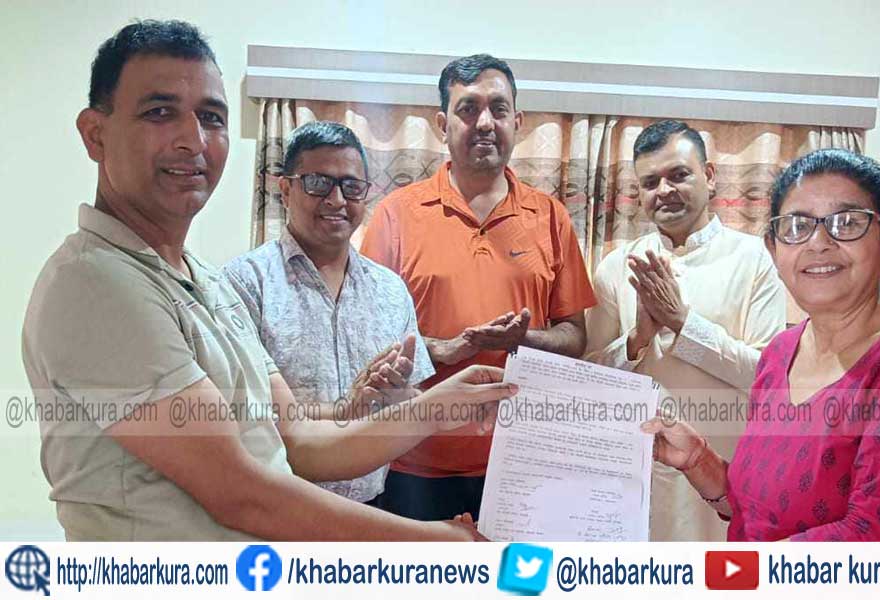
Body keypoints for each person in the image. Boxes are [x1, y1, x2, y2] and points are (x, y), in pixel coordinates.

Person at [21, 20, 514, 541]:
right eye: (159, 112)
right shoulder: (98, 282)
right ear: (95, 134)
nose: (193, 140)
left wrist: (439, 404)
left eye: (211, 117)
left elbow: (297, 441)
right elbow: (242, 493)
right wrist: (440, 542)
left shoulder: (205, 282)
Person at [643, 149, 880, 541]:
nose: (818, 242)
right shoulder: (779, 353)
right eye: (796, 226)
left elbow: (876, 537)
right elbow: (761, 515)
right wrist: (698, 459)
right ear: (774, 250)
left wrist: (729, 571)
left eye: (847, 222)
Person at [360, 54, 596, 521]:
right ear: (442, 125)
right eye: (468, 109)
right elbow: (368, 339)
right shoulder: (396, 214)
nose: (485, 122)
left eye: (498, 109)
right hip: (412, 462)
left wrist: (523, 340)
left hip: (522, 461)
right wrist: (444, 349)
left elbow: (576, 338)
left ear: (517, 122)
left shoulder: (550, 217)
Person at [584, 120, 786, 541]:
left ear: (709, 176)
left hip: (722, 480)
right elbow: (590, 382)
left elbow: (767, 379)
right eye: (650, 182)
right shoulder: (616, 268)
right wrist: (637, 340)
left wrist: (682, 323)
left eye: (678, 175)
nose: (664, 190)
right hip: (631, 481)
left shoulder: (755, 260)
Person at [224, 120, 434, 507]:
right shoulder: (244, 283)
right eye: (318, 183)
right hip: (275, 508)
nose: (336, 200)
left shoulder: (390, 290)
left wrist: (396, 395)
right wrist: (345, 410)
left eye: (351, 186)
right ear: (285, 190)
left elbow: (412, 399)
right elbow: (244, 413)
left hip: (372, 504)